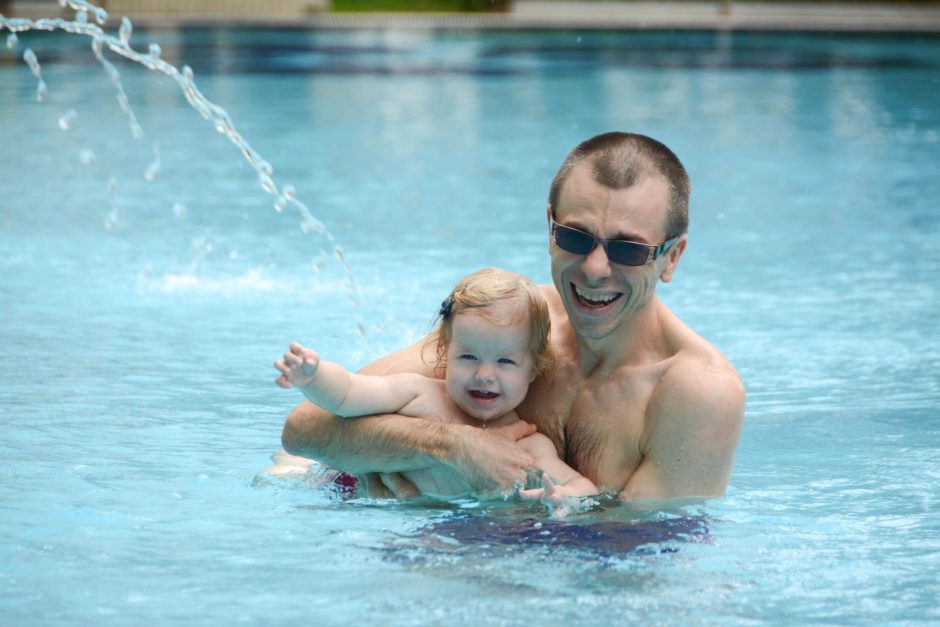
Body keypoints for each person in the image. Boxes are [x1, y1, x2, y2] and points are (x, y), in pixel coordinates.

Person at [278, 131, 745, 503]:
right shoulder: (511, 328)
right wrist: (450, 448)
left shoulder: (695, 392)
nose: (595, 269)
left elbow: (643, 555)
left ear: (672, 258)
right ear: (549, 229)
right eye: (576, 238)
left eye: (628, 249)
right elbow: (305, 429)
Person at [273, 268, 597, 507]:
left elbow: (577, 484)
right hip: (341, 488)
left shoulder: (528, 443)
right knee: (288, 474)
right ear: (445, 352)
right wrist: (314, 378)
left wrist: (565, 497)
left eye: (505, 362)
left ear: (533, 369)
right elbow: (347, 394)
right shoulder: (419, 392)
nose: (484, 374)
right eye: (468, 357)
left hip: (440, 526)